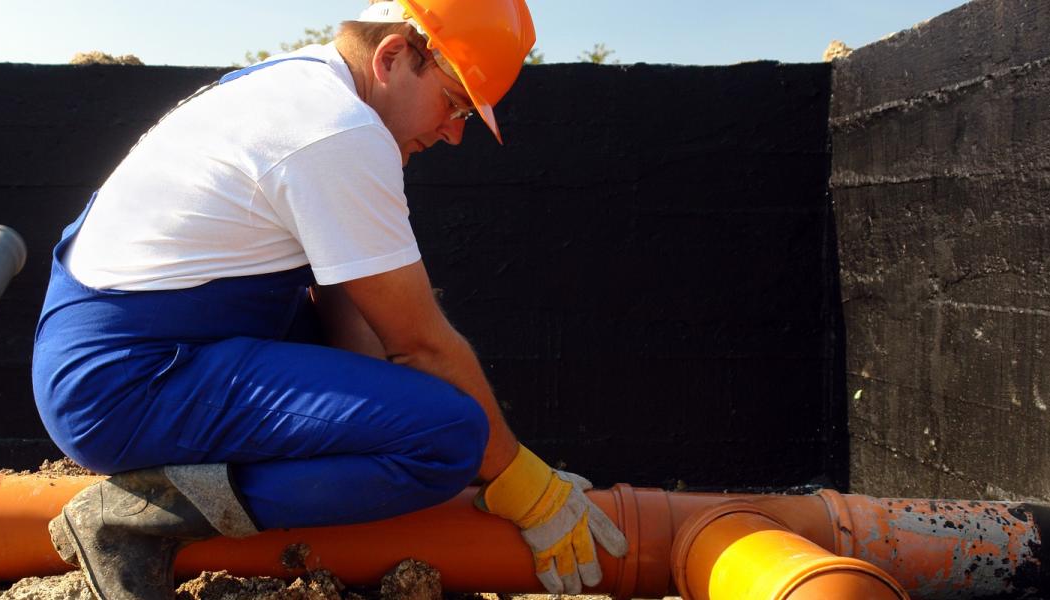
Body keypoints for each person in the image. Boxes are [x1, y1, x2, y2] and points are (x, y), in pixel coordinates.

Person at [32, 1, 627, 599]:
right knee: (447, 435)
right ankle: (139, 520)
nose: (454, 132)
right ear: (394, 55)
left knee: (423, 413)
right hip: (128, 381)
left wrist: (382, 434)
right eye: (455, 102)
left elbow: (345, 299)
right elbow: (420, 345)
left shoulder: (298, 86)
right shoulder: (339, 131)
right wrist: (523, 485)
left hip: (132, 348)